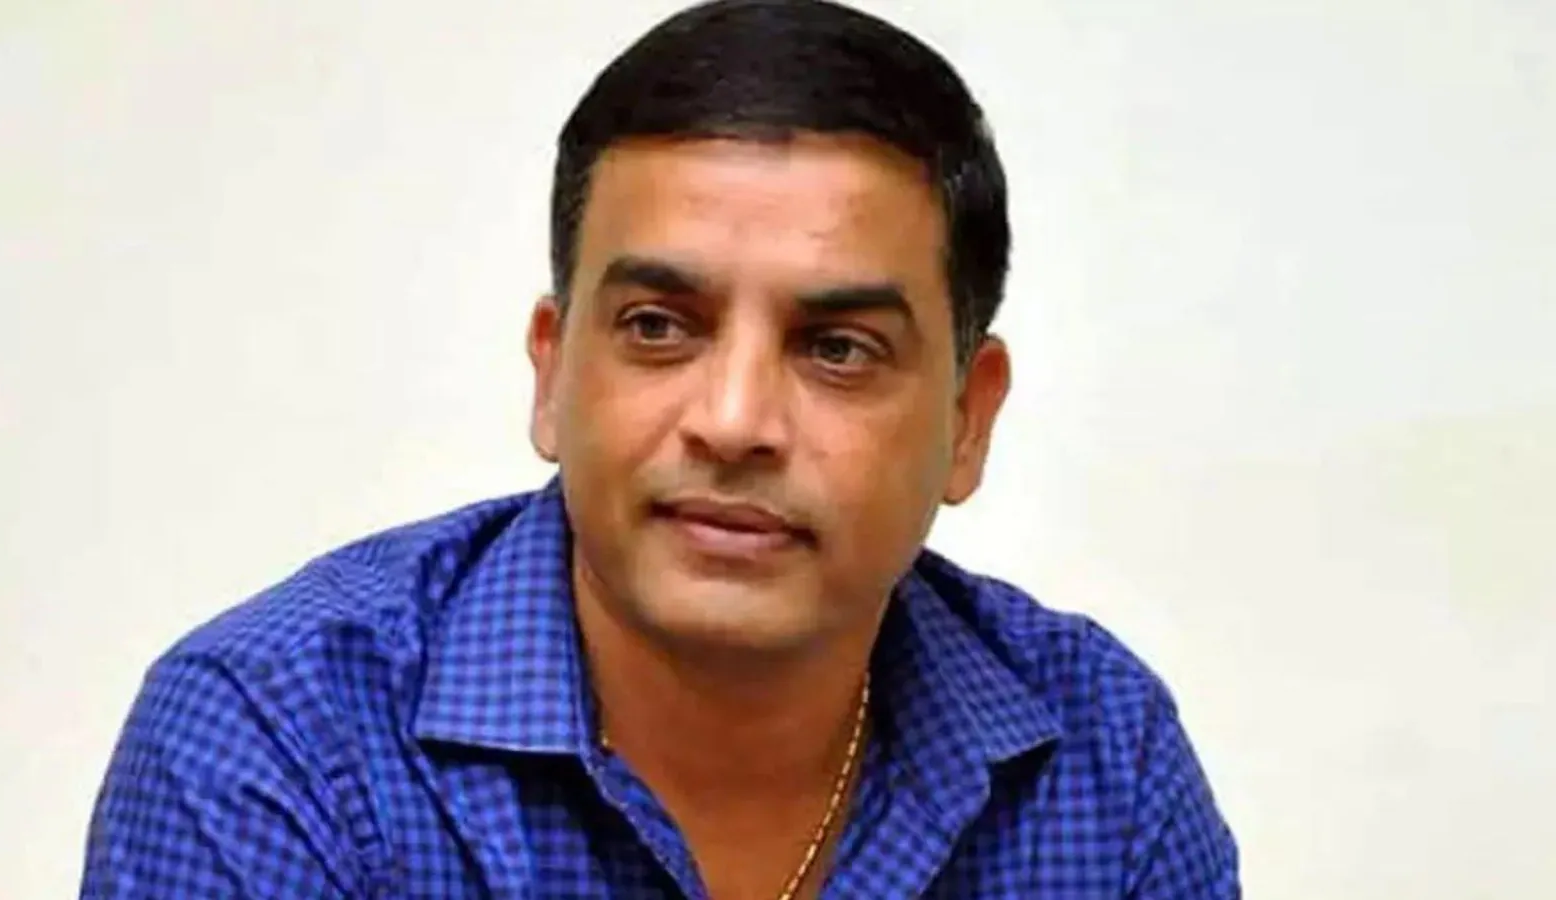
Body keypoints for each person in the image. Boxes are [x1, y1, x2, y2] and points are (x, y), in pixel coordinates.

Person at [80, 0, 1239, 897]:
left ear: (966, 422)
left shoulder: (1101, 761)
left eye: (837, 348)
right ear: (552, 374)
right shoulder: (277, 738)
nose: (732, 421)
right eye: (656, 328)